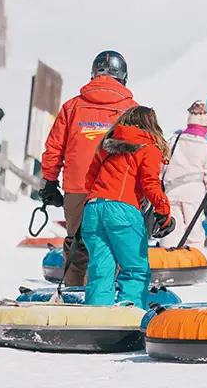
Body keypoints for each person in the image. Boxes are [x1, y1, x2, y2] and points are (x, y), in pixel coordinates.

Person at [40, 51, 137, 287]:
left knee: (77, 245)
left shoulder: (72, 107)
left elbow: (54, 148)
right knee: (111, 245)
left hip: (77, 188)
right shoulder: (132, 110)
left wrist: (49, 182)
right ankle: (103, 299)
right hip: (117, 190)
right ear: (123, 77)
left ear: (93, 75)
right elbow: (143, 150)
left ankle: (74, 295)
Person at [83, 106, 175, 308]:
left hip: (93, 208)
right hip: (123, 210)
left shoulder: (105, 146)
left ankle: (96, 320)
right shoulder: (149, 148)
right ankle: (130, 317)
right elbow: (150, 183)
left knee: (101, 270)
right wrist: (164, 213)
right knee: (135, 269)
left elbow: (89, 181)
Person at [161, 101, 207, 250]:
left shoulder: (173, 141)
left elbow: (161, 166)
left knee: (172, 231)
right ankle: (192, 262)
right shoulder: (206, 147)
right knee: (193, 233)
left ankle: (169, 262)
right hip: (194, 196)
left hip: (171, 193)